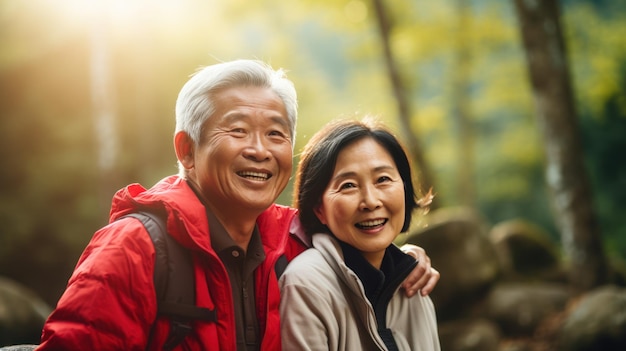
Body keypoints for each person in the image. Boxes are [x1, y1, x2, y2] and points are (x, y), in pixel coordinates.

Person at [35, 60, 439, 350]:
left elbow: (362, 242)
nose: (259, 150)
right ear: (187, 149)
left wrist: (405, 258)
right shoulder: (133, 248)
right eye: (238, 130)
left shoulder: (295, 238)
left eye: (275, 133)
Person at [280, 118, 441, 350]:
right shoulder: (306, 285)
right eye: (348, 185)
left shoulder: (414, 284)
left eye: (383, 179)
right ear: (319, 209)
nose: (370, 201)